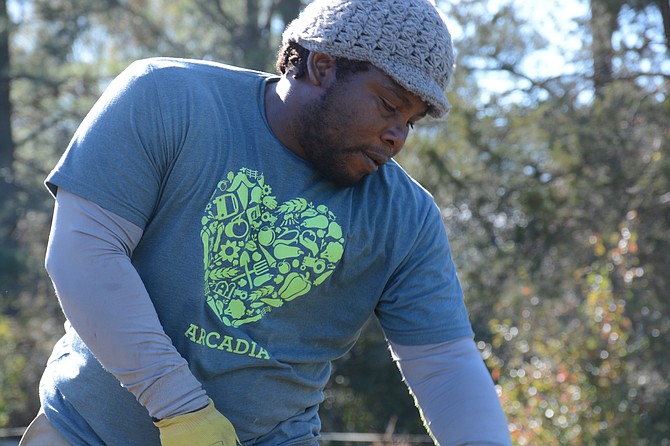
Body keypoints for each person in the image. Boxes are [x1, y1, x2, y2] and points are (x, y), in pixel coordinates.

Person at [20, 0, 512, 445]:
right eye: (388, 105)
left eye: (411, 120)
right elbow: (84, 251)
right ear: (322, 65)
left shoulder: (407, 218)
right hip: (86, 432)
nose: (397, 136)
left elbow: (444, 367)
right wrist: (179, 408)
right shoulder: (167, 99)